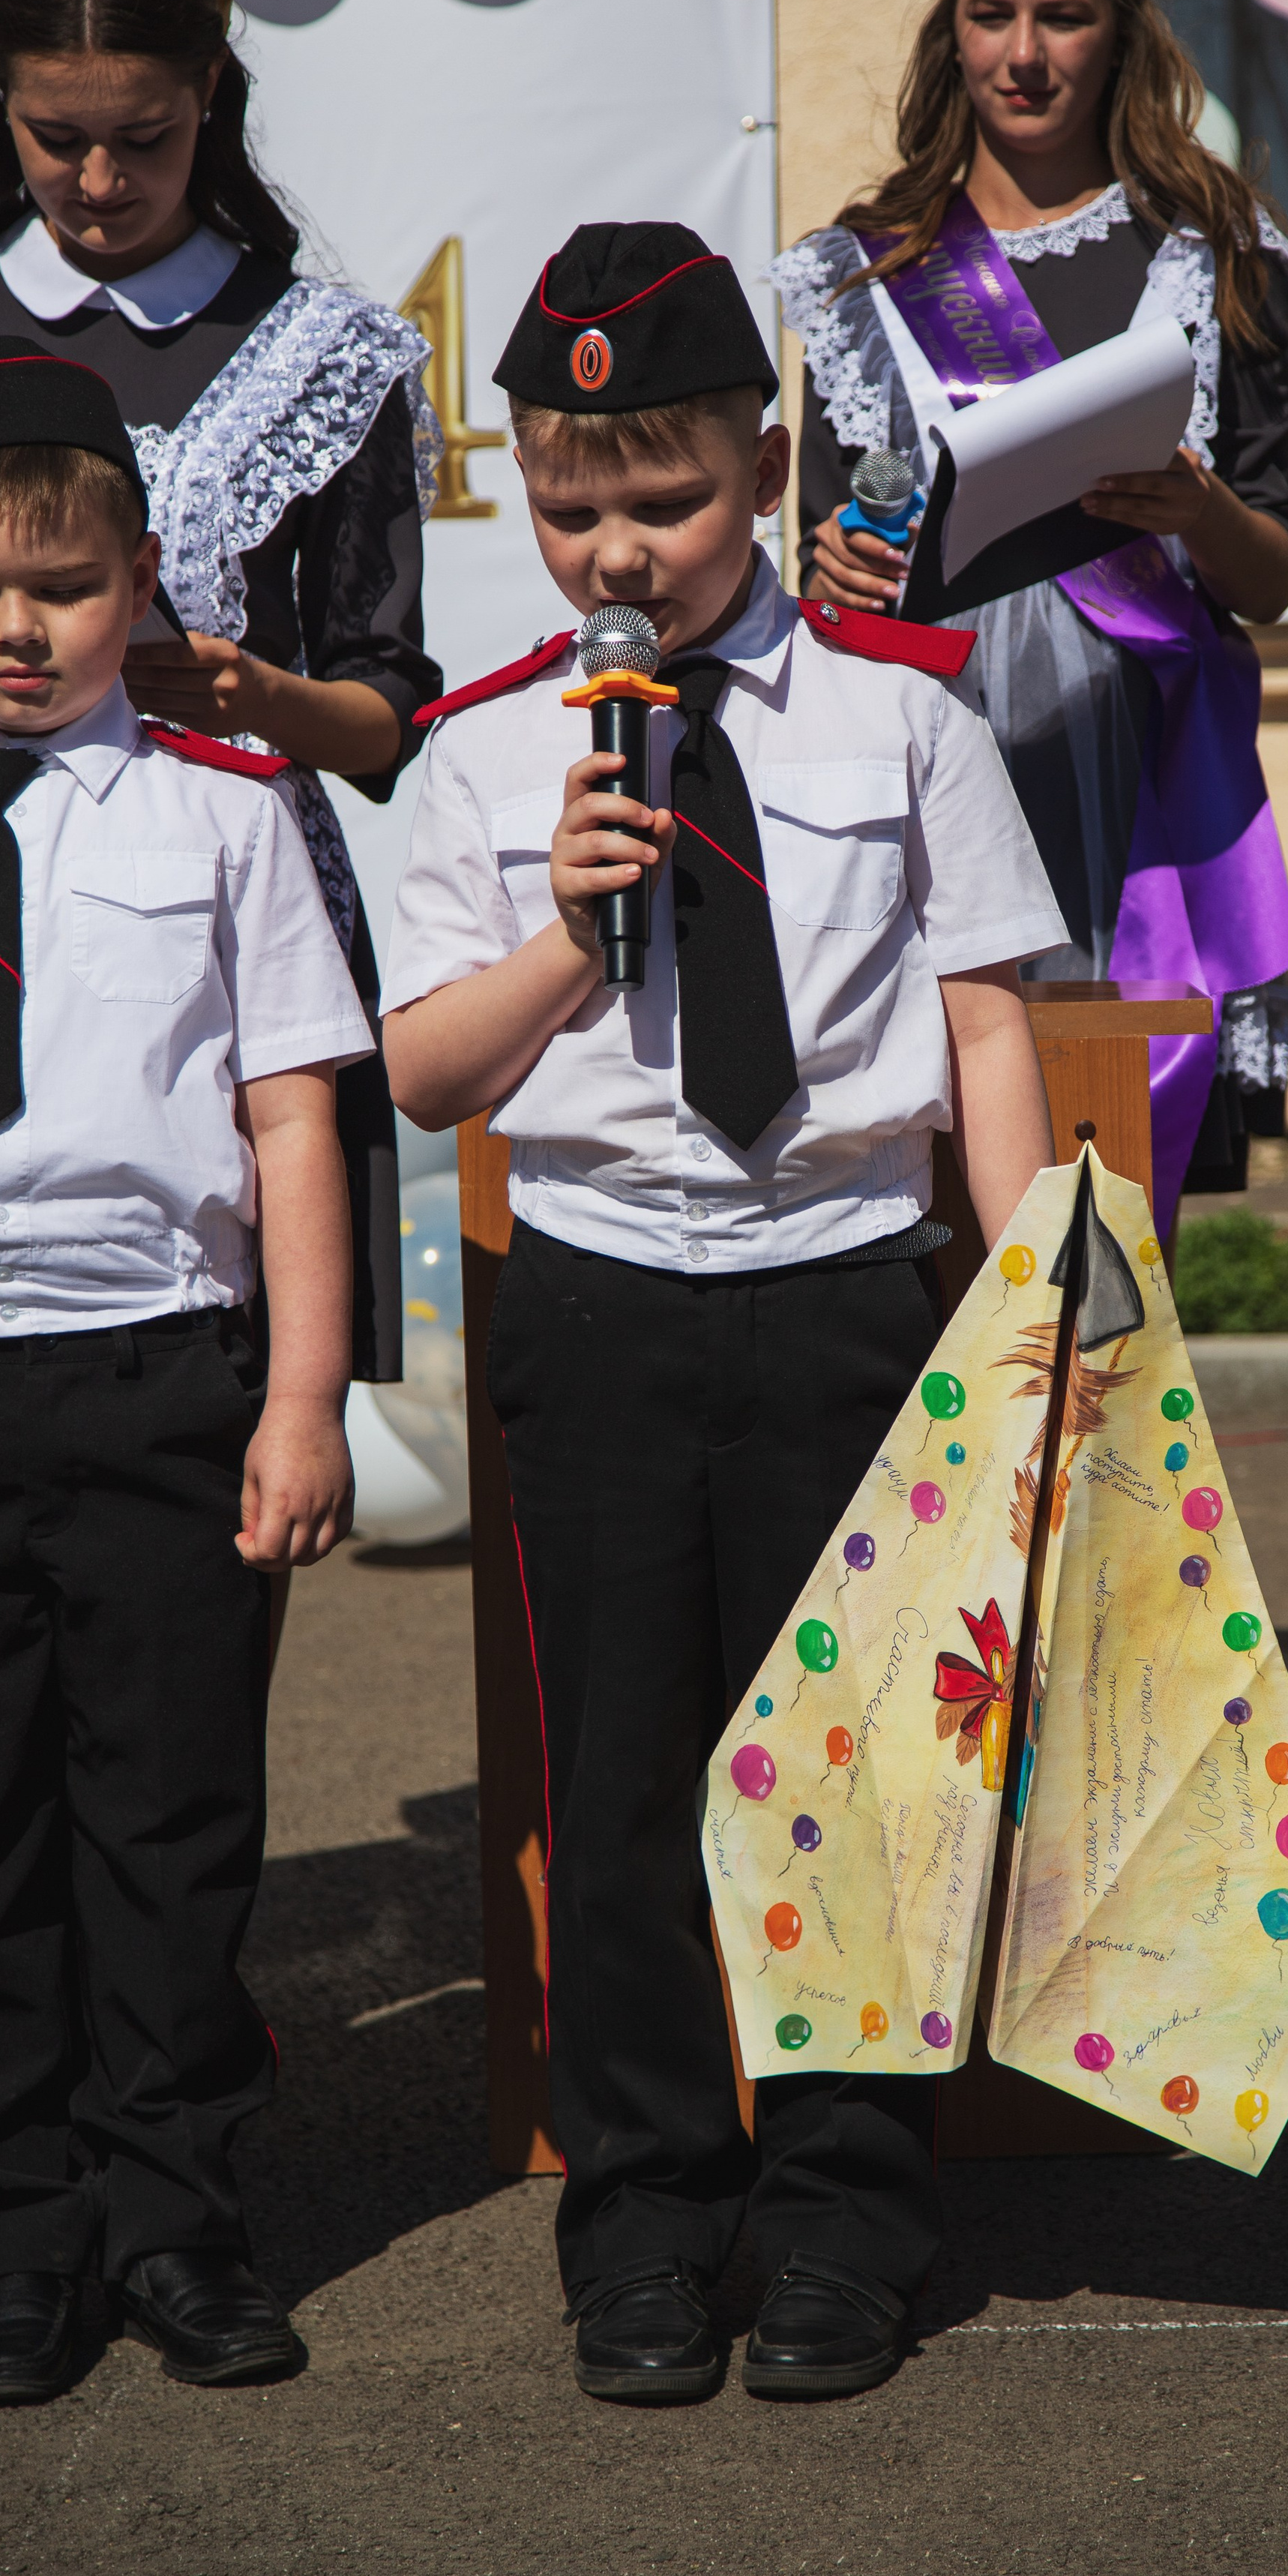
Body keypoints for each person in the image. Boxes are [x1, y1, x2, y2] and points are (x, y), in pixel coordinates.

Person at [381, 222, 1062, 2403]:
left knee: (856, 1767)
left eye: (662, 498)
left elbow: (978, 1025)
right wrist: (571, 938)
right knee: (632, 1780)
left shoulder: (903, 715)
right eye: (572, 504)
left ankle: (849, 2207)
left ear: (762, 466)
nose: (616, 548)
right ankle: (648, 2218)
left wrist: (1040, 1299)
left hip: (841, 1291)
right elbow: (421, 1071)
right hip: (595, 1298)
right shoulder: (487, 757)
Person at [0, 343, 370, 2407]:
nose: (16, 629)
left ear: (140, 580)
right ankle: (10, 2238)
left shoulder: (224, 816)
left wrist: (303, 1398)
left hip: (160, 1385)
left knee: (170, 1829)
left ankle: (181, 2222)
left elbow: (296, 1115)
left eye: (57, 582)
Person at [775, 0, 1288, 1227]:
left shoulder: (1213, 247)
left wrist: (1196, 513)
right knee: (927, 1203)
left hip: (1133, 765)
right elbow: (815, 555)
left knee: (1114, 1216)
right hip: (924, 756)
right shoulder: (869, 265)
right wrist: (827, 566)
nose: (1023, 55)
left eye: (1061, 16)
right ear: (949, 28)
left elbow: (1277, 574)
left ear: (1123, 21)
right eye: (990, 14)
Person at [0, 0, 441, 1381]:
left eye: (145, 136)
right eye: (57, 136)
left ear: (210, 99)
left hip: (229, 937)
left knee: (217, 1408)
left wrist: (265, 697)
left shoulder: (321, 353)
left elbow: (385, 721)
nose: (99, 179)